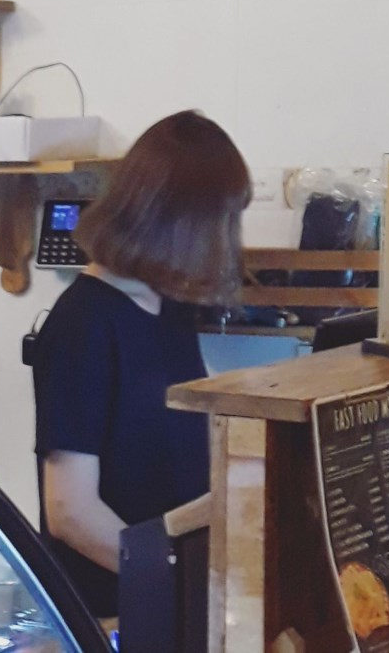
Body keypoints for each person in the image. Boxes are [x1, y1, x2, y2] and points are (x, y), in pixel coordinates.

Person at [33, 110, 251, 617]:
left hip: (172, 598)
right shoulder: (83, 324)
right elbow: (70, 511)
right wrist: (172, 575)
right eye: (221, 224)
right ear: (180, 224)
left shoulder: (168, 309)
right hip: (112, 609)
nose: (226, 242)